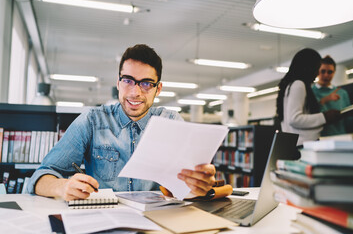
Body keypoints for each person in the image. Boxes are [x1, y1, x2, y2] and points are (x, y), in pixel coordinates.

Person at [26, 44, 216, 201]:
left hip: (157, 221)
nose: (135, 92)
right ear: (118, 83)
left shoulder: (172, 122)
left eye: (147, 83)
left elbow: (189, 188)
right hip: (104, 218)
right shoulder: (92, 120)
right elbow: (41, 175)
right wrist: (63, 186)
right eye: (128, 80)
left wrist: (200, 185)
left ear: (158, 89)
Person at [276, 48, 341, 146]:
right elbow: (294, 119)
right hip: (303, 144)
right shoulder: (299, 85)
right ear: (308, 67)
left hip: (296, 143)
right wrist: (325, 117)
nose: (318, 73)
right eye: (317, 68)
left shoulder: (291, 85)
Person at [312, 55, 353, 136]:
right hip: (319, 139)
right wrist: (325, 100)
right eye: (323, 71)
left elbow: (348, 119)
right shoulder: (311, 92)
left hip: (341, 137)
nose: (326, 75)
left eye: (329, 72)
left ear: (334, 72)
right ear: (317, 71)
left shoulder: (342, 93)